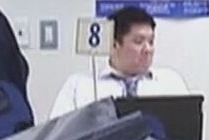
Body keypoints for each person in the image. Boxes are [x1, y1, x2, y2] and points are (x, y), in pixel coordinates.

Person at [48, 6, 189, 119]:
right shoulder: (79, 86)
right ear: (114, 44)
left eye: (151, 41)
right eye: (138, 42)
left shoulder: (171, 82)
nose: (148, 49)